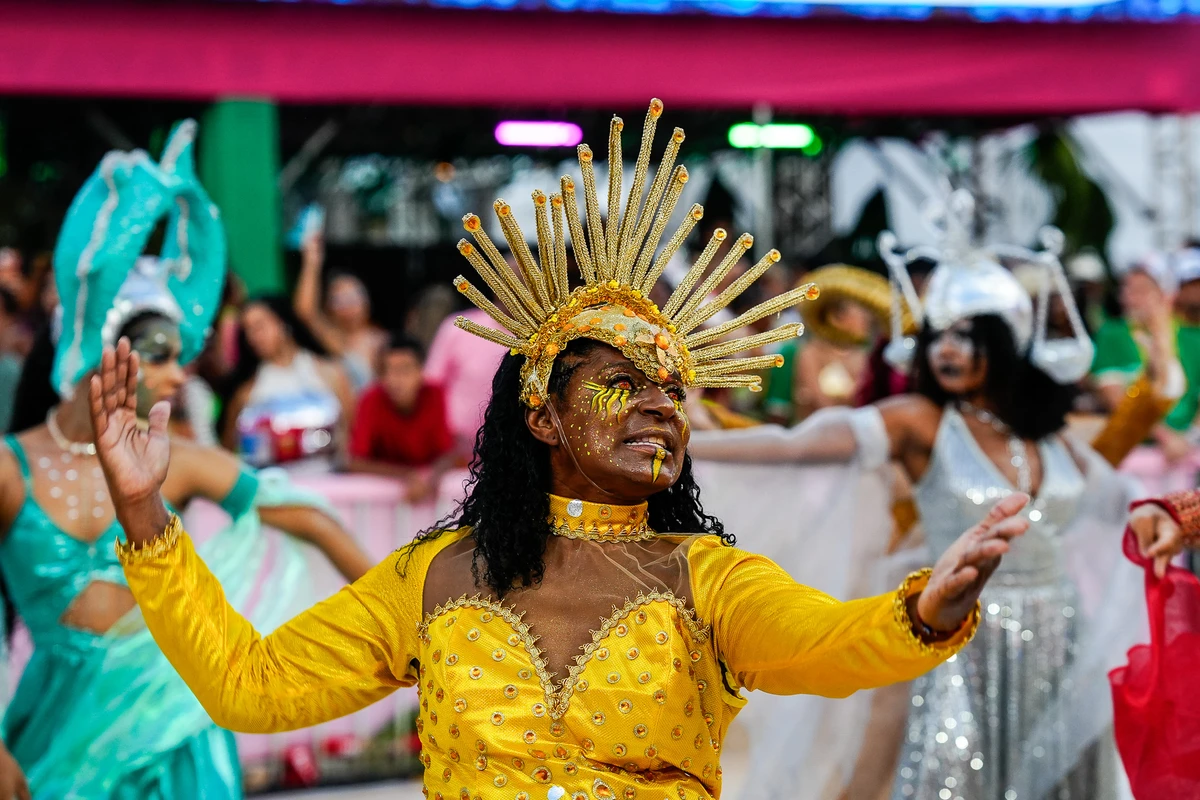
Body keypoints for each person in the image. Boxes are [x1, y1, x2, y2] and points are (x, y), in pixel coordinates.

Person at [91, 102, 1028, 800]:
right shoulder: (437, 575)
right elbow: (249, 688)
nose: (661, 408)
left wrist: (926, 610)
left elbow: (827, 644)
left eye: (673, 389)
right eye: (623, 384)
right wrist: (144, 513)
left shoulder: (708, 579)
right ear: (541, 414)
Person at [688, 198, 1174, 799]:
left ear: (1007, 344)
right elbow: (795, 448)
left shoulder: (1047, 434)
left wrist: (1154, 513)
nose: (948, 351)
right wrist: (692, 434)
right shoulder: (918, 421)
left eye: (968, 337)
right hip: (958, 642)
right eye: (938, 337)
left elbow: (1119, 497)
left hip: (1057, 643)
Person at [0, 123, 372, 800]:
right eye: (161, 353)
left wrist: (412, 629)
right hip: (60, 734)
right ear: (96, 347)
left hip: (179, 728)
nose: (179, 374)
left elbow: (312, 520)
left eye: (182, 355)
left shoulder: (181, 460)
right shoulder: (8, 467)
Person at [221, 295, 355, 470]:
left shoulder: (330, 373)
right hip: (274, 491)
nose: (253, 337)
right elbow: (228, 453)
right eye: (247, 330)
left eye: (260, 326)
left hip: (330, 482)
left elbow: (352, 434)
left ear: (283, 323)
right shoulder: (245, 393)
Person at [347, 331, 457, 503]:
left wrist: (431, 479)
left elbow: (448, 453)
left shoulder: (435, 394)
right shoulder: (370, 399)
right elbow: (355, 462)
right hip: (381, 504)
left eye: (404, 370)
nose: (395, 379)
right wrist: (409, 476)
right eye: (388, 370)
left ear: (421, 372)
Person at [294, 232, 387, 394]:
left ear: (367, 301)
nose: (348, 306)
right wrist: (312, 262)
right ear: (329, 307)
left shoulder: (382, 341)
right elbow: (305, 312)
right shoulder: (335, 339)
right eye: (339, 299)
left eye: (353, 297)